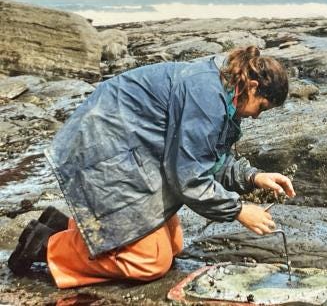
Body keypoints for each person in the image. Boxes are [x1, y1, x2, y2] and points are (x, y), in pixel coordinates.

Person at [8, 45, 296, 288]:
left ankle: (68, 227)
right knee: (149, 261)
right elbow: (189, 178)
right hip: (106, 146)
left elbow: (208, 157)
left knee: (173, 245)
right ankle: (46, 244)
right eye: (262, 107)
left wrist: (253, 176)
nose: (257, 117)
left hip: (132, 148)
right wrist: (238, 210)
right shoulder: (207, 96)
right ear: (254, 87)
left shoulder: (224, 90)